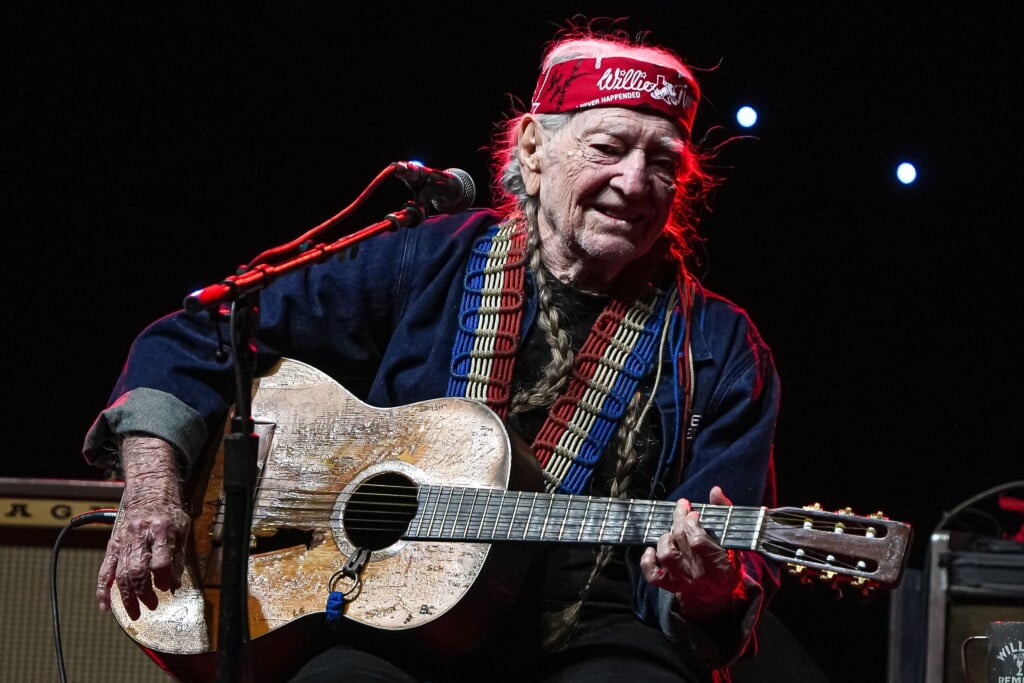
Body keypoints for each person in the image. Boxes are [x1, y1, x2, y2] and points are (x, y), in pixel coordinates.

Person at [84, 21, 782, 683]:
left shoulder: (720, 346)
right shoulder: (427, 254)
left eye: (663, 163)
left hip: (596, 628)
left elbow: (726, 577)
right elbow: (199, 333)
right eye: (608, 149)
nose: (634, 183)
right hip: (395, 616)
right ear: (534, 151)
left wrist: (710, 590)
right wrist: (154, 484)